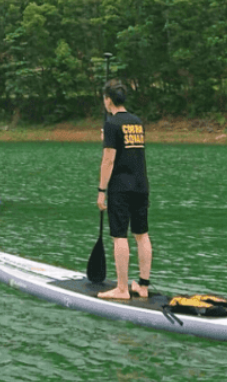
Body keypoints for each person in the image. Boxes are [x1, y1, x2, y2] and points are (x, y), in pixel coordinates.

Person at [95, 81, 152, 299]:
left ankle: (121, 289)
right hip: (141, 185)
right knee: (142, 234)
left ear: (108, 100)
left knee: (120, 236)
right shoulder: (137, 122)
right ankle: (143, 286)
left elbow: (109, 159)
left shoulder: (111, 124)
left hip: (121, 187)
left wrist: (101, 190)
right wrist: (108, 138)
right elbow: (127, 147)